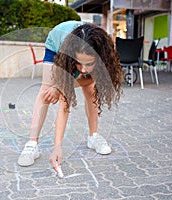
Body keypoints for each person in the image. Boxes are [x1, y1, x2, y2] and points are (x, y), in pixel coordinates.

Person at [17, 21, 123, 171]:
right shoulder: (68, 49)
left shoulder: (103, 49)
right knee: (46, 90)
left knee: (90, 88)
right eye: (79, 63)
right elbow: (64, 102)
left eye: (89, 64)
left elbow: (89, 78)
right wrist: (57, 146)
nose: (84, 69)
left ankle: (93, 137)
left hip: (82, 50)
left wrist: (60, 86)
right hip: (57, 45)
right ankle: (32, 144)